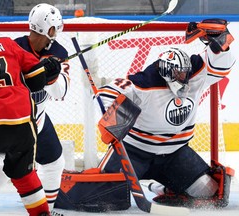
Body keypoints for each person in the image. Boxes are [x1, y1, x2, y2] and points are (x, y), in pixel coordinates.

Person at [96, 18, 235, 208]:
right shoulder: (144, 83)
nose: (184, 78)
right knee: (106, 200)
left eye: (185, 73)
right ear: (166, 73)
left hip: (175, 153)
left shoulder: (194, 74)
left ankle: (160, 187)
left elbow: (221, 66)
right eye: (179, 75)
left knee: (209, 194)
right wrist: (110, 114)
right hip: (135, 153)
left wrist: (219, 42)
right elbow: (107, 92)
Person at [0, 3, 69, 216]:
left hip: (38, 121)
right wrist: (38, 74)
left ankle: (47, 211)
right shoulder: (13, 47)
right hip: (12, 122)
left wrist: (53, 75)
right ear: (50, 29)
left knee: (55, 162)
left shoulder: (58, 53)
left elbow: (60, 92)